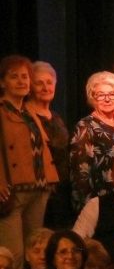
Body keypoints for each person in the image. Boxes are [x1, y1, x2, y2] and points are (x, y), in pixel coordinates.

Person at [0, 55, 59, 269]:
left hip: (38, 188)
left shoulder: (29, 112)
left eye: (24, 77)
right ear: (2, 82)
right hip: (12, 192)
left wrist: (50, 180)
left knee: (36, 253)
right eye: (14, 77)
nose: (21, 81)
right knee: (13, 255)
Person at [70, 71, 114, 212]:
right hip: (96, 200)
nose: (107, 99)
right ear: (92, 98)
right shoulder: (85, 126)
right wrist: (87, 207)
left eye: (112, 94)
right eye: (101, 95)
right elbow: (80, 171)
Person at [28, 61, 72, 228]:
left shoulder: (56, 117)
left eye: (49, 82)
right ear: (30, 86)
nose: (45, 87)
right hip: (38, 191)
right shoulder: (25, 116)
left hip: (61, 192)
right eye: (39, 83)